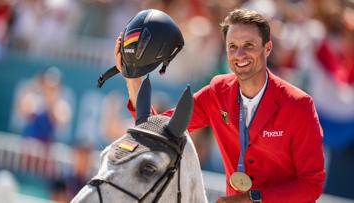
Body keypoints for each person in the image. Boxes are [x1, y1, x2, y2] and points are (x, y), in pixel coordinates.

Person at [114, 9, 325, 203]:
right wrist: (133, 77)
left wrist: (253, 199)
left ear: (267, 48)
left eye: (248, 45)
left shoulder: (299, 105)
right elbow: (159, 130)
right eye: (232, 47)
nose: (239, 55)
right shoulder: (218, 91)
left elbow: (312, 184)